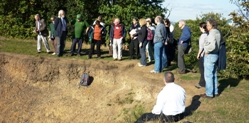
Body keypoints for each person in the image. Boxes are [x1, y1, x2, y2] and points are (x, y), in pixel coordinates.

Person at [200, 19, 221, 98]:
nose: (207, 26)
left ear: (211, 25)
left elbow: (212, 46)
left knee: (208, 75)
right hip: (215, 55)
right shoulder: (217, 32)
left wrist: (206, 51)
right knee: (214, 74)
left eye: (208, 25)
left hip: (210, 55)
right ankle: (215, 92)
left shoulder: (211, 34)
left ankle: (209, 94)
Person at [195, 22, 208, 89]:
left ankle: (202, 83)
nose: (199, 29)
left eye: (200, 27)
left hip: (203, 55)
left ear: (202, 28)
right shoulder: (208, 34)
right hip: (207, 55)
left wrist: (198, 54)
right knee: (205, 70)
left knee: (202, 70)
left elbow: (201, 47)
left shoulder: (203, 36)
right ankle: (203, 83)